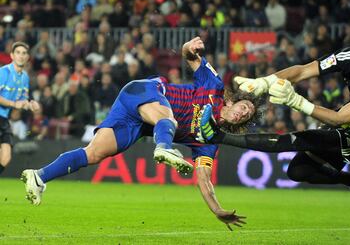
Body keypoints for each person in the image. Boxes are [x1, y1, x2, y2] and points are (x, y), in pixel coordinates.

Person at [22, 37, 263, 230]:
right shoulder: (215, 87)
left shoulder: (210, 142)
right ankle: (163, 146)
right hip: (146, 91)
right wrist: (189, 46)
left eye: (248, 115)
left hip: (136, 123)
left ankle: (39, 176)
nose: (244, 113)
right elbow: (190, 56)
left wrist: (217, 209)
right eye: (244, 107)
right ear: (232, 102)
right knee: (168, 119)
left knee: (93, 154)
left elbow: (204, 179)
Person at [198, 32, 350, 211]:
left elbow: (341, 117)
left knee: (301, 140)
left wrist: (297, 102)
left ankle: (219, 136)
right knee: (298, 170)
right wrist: (266, 82)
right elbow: (304, 70)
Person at [0, 41, 41, 174]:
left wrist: (30, 105)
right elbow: (15, 103)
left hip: (4, 119)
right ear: (12, 55)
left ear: (28, 57)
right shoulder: (3, 72)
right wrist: (13, 104)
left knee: (5, 158)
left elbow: (22, 100)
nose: (21, 56)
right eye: (18, 53)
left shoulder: (25, 78)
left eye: (24, 53)